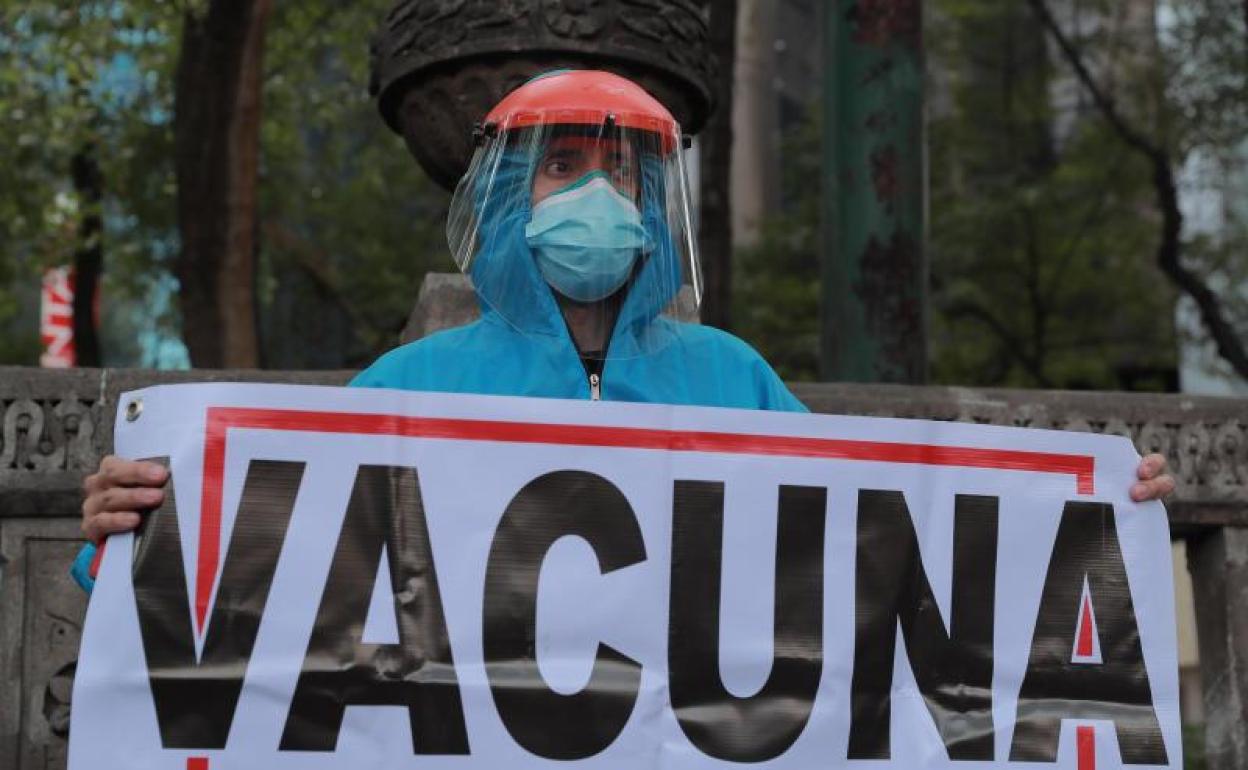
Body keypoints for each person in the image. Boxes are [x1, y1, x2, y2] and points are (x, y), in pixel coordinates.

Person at [73, 70, 1175, 591]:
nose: (598, 192)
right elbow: (257, 571)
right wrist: (128, 528)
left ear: (657, 205)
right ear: (508, 196)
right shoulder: (408, 383)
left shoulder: (734, 378)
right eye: (564, 164)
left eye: (623, 170)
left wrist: (1087, 515)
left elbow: (885, 539)